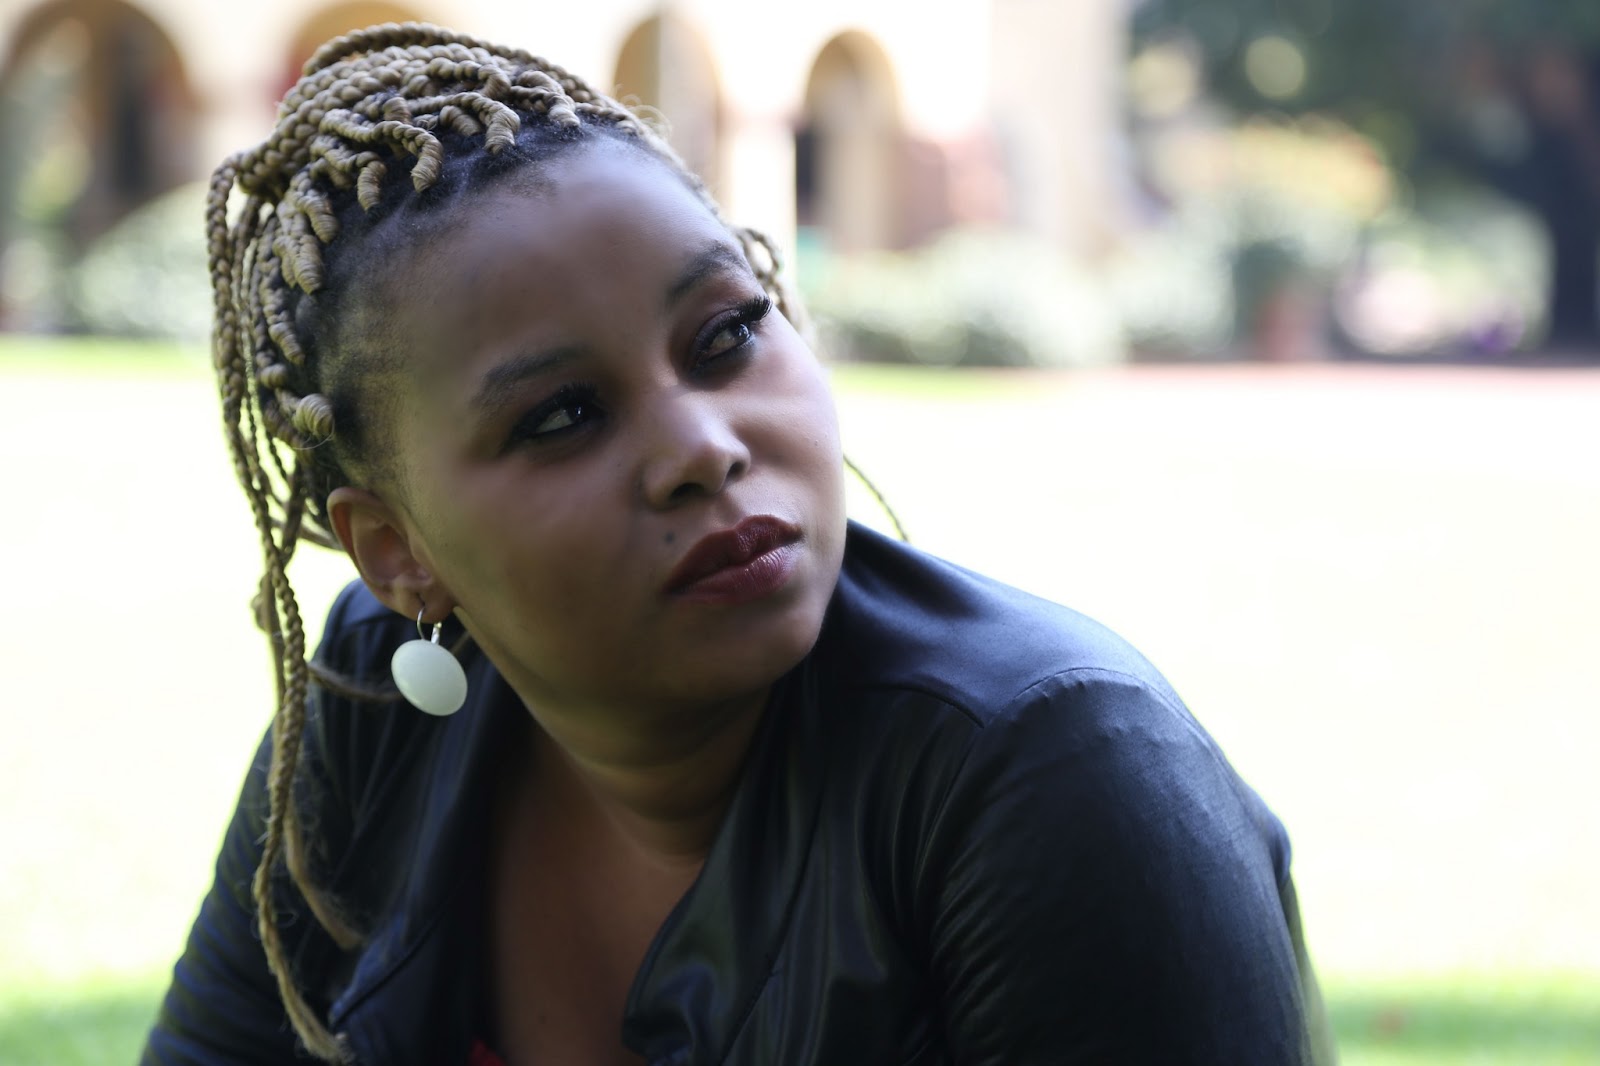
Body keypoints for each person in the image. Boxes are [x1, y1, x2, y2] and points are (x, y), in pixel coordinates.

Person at [143, 22, 1335, 1066]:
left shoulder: (1049, 775)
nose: (702, 448)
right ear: (397, 550)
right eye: (561, 415)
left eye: (723, 336)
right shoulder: (373, 707)